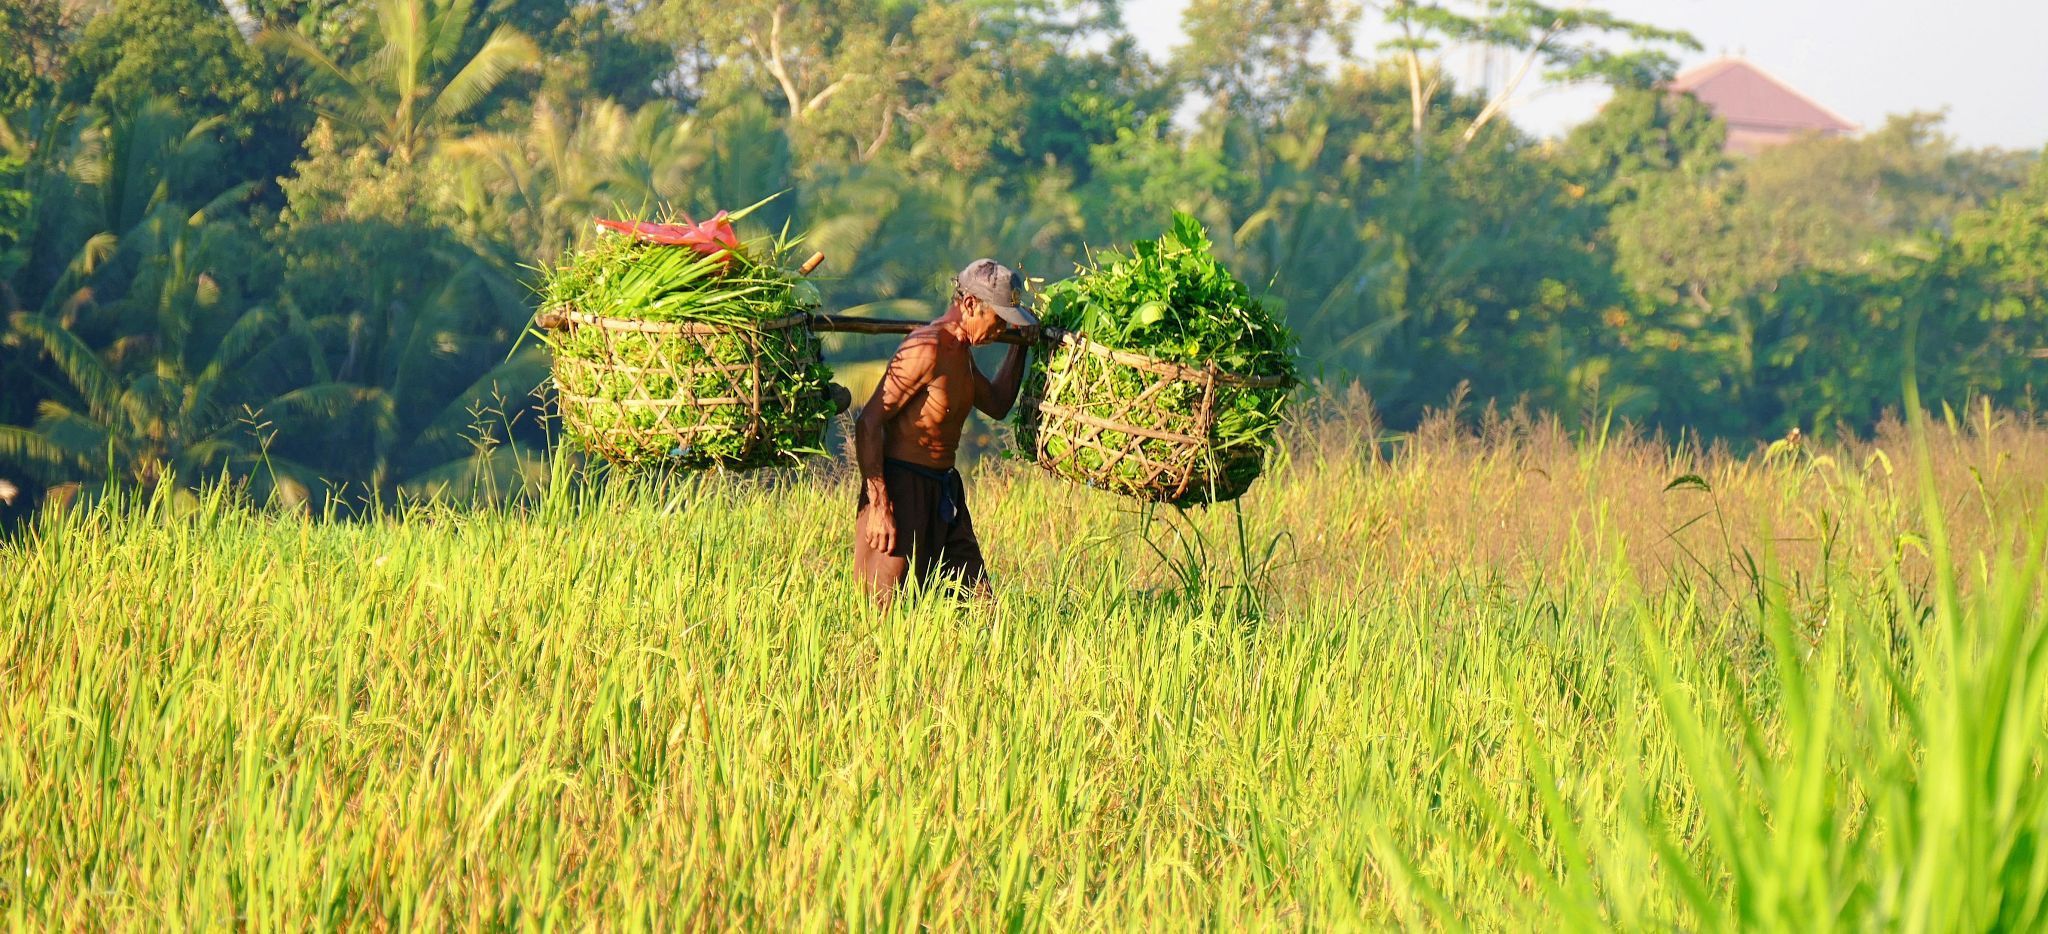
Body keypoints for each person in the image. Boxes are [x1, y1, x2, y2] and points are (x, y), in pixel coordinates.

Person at [854, 259, 1038, 606]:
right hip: (900, 491)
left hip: (944, 494)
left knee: (980, 608)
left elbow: (997, 404)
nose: (1001, 330)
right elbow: (869, 421)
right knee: (886, 612)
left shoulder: (961, 353)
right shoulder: (927, 347)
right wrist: (879, 505)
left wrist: (1020, 347)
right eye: (998, 320)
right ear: (970, 305)